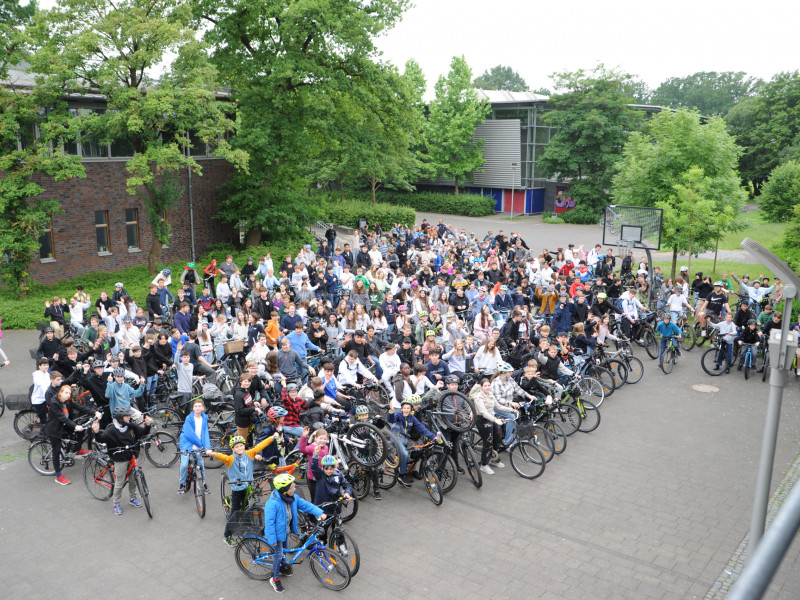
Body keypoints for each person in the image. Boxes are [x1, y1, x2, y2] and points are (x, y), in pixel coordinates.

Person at [206, 434, 277, 546]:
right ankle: (227, 535)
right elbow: (222, 457)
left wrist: (272, 437)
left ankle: (247, 527)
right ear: (233, 449)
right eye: (237, 447)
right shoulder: (231, 459)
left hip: (248, 485)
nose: (240, 448)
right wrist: (212, 453)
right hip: (237, 487)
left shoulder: (249, 454)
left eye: (241, 446)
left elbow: (260, 446)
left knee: (249, 506)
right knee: (235, 511)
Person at [263, 473, 327, 593]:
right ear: (284, 490)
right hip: (276, 535)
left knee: (285, 549)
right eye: (292, 487)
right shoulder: (272, 504)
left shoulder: (293, 498)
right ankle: (275, 579)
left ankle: (283, 565)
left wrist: (319, 512)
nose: (295, 489)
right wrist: (272, 540)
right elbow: (269, 523)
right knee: (278, 555)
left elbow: (306, 505)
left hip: (285, 531)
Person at [91, 406, 152, 514]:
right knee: (120, 481)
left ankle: (133, 498)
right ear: (119, 418)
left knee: (133, 478)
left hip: (132, 456)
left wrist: (147, 425)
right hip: (120, 458)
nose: (129, 418)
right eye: (126, 416)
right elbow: (102, 438)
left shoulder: (131, 426)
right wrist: (96, 432)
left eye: (129, 415)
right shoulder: (111, 430)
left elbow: (142, 432)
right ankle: (116, 503)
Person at [45, 385, 102, 486]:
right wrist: (75, 426)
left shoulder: (68, 400)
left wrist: (94, 412)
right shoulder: (54, 402)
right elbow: (62, 418)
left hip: (65, 425)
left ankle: (77, 450)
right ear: (60, 393)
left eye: (69, 393)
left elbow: (80, 407)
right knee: (56, 450)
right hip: (54, 429)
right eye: (66, 393)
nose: (68, 395)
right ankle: (58, 476)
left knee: (81, 431)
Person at [386, 396, 440, 487]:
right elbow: (390, 419)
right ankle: (402, 475)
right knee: (405, 454)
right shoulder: (398, 415)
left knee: (413, 454)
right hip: (396, 438)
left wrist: (433, 437)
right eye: (404, 408)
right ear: (401, 409)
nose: (406, 410)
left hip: (405, 439)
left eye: (408, 408)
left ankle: (406, 469)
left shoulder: (412, 418)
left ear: (411, 410)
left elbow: (422, 428)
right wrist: (391, 411)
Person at [471, 378, 507, 474]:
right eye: (485, 386)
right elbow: (483, 412)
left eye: (488, 385)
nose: (487, 387)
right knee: (488, 442)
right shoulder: (479, 397)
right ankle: (484, 464)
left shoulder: (490, 394)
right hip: (482, 420)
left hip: (492, 417)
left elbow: (498, 406)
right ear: (481, 387)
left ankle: (493, 459)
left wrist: (512, 410)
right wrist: (495, 420)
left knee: (498, 437)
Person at [178, 398, 212, 495]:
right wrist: (201, 446)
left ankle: (204, 482)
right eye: (195, 406)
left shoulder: (204, 418)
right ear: (193, 408)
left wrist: (207, 447)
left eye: (199, 406)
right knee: (184, 464)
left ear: (203, 408)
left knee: (201, 464)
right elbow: (189, 434)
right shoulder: (189, 418)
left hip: (199, 445)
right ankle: (182, 483)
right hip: (187, 444)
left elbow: (205, 433)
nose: (197, 408)